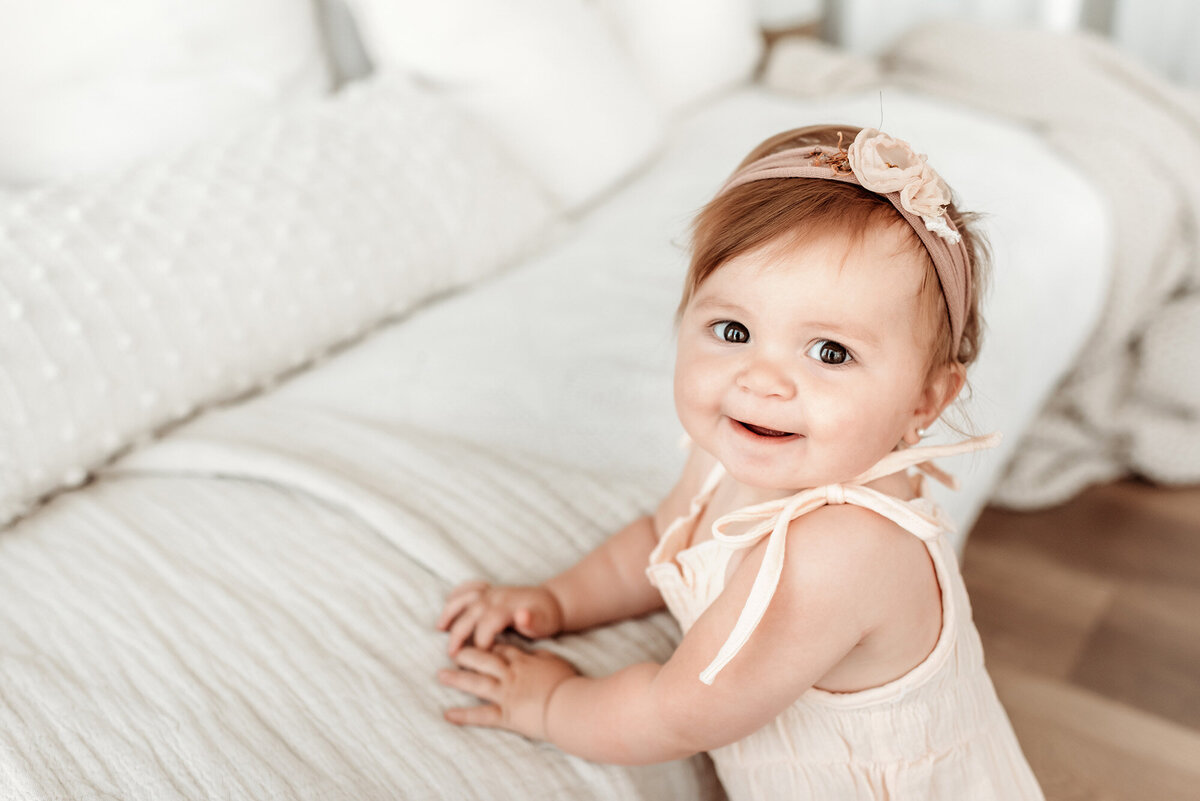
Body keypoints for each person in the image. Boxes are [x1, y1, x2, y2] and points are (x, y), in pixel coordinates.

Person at [434, 124, 1044, 799]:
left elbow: (675, 711)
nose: (762, 380)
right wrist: (559, 599)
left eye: (830, 352)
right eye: (733, 331)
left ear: (925, 399)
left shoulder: (845, 548)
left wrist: (552, 703)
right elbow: (656, 537)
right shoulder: (732, 450)